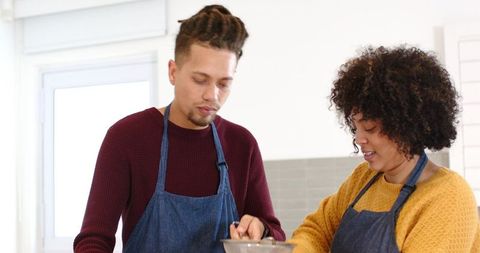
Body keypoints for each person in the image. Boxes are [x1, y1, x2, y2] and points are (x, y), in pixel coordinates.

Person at [73, 5, 285, 253]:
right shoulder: (127, 138)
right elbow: (94, 241)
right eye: (200, 80)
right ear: (173, 72)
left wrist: (260, 228)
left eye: (224, 83)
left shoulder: (242, 144)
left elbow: (275, 230)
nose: (212, 95)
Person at [289, 45, 480, 252]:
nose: (359, 139)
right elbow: (315, 231)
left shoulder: (448, 196)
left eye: (369, 128)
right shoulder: (363, 178)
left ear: (405, 127)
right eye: (355, 128)